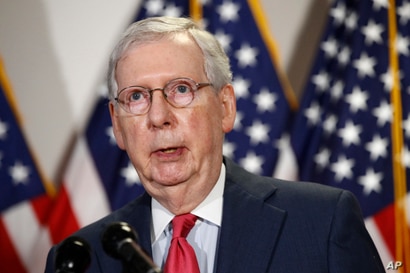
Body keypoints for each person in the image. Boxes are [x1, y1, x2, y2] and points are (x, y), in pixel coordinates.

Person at [45, 16, 384, 273]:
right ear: (118, 125)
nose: (158, 116)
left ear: (225, 107)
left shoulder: (321, 223)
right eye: (136, 97)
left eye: (180, 89)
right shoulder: (81, 257)